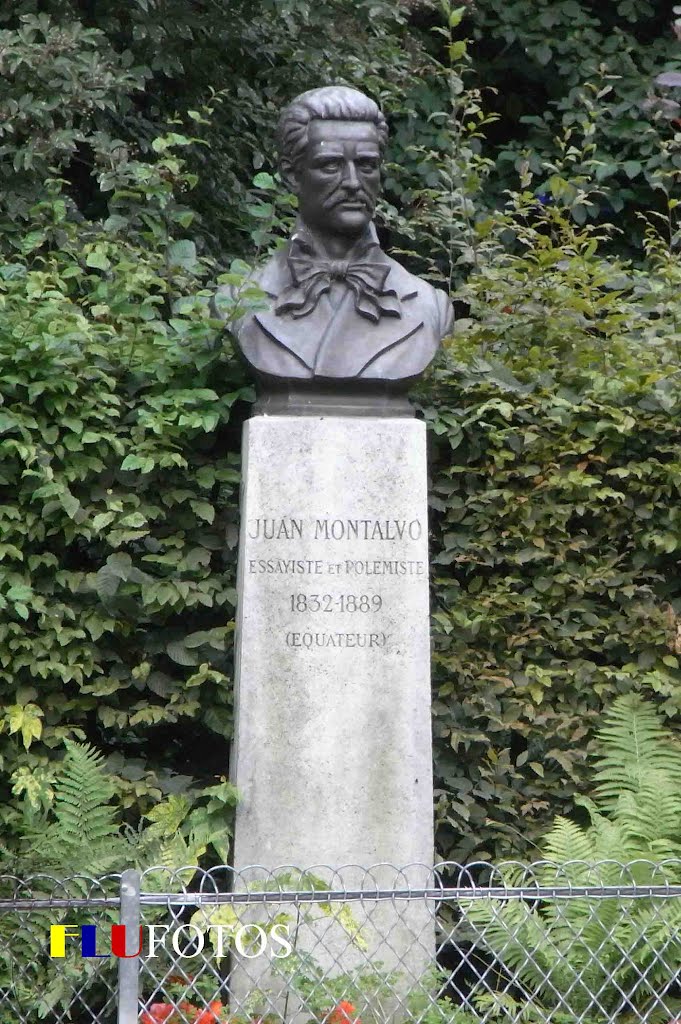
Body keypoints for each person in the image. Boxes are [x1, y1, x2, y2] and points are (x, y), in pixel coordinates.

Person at [215, 85, 453, 402]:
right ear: (292, 175)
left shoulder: (429, 306)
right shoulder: (238, 300)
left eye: (367, 165)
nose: (353, 183)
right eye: (331, 165)